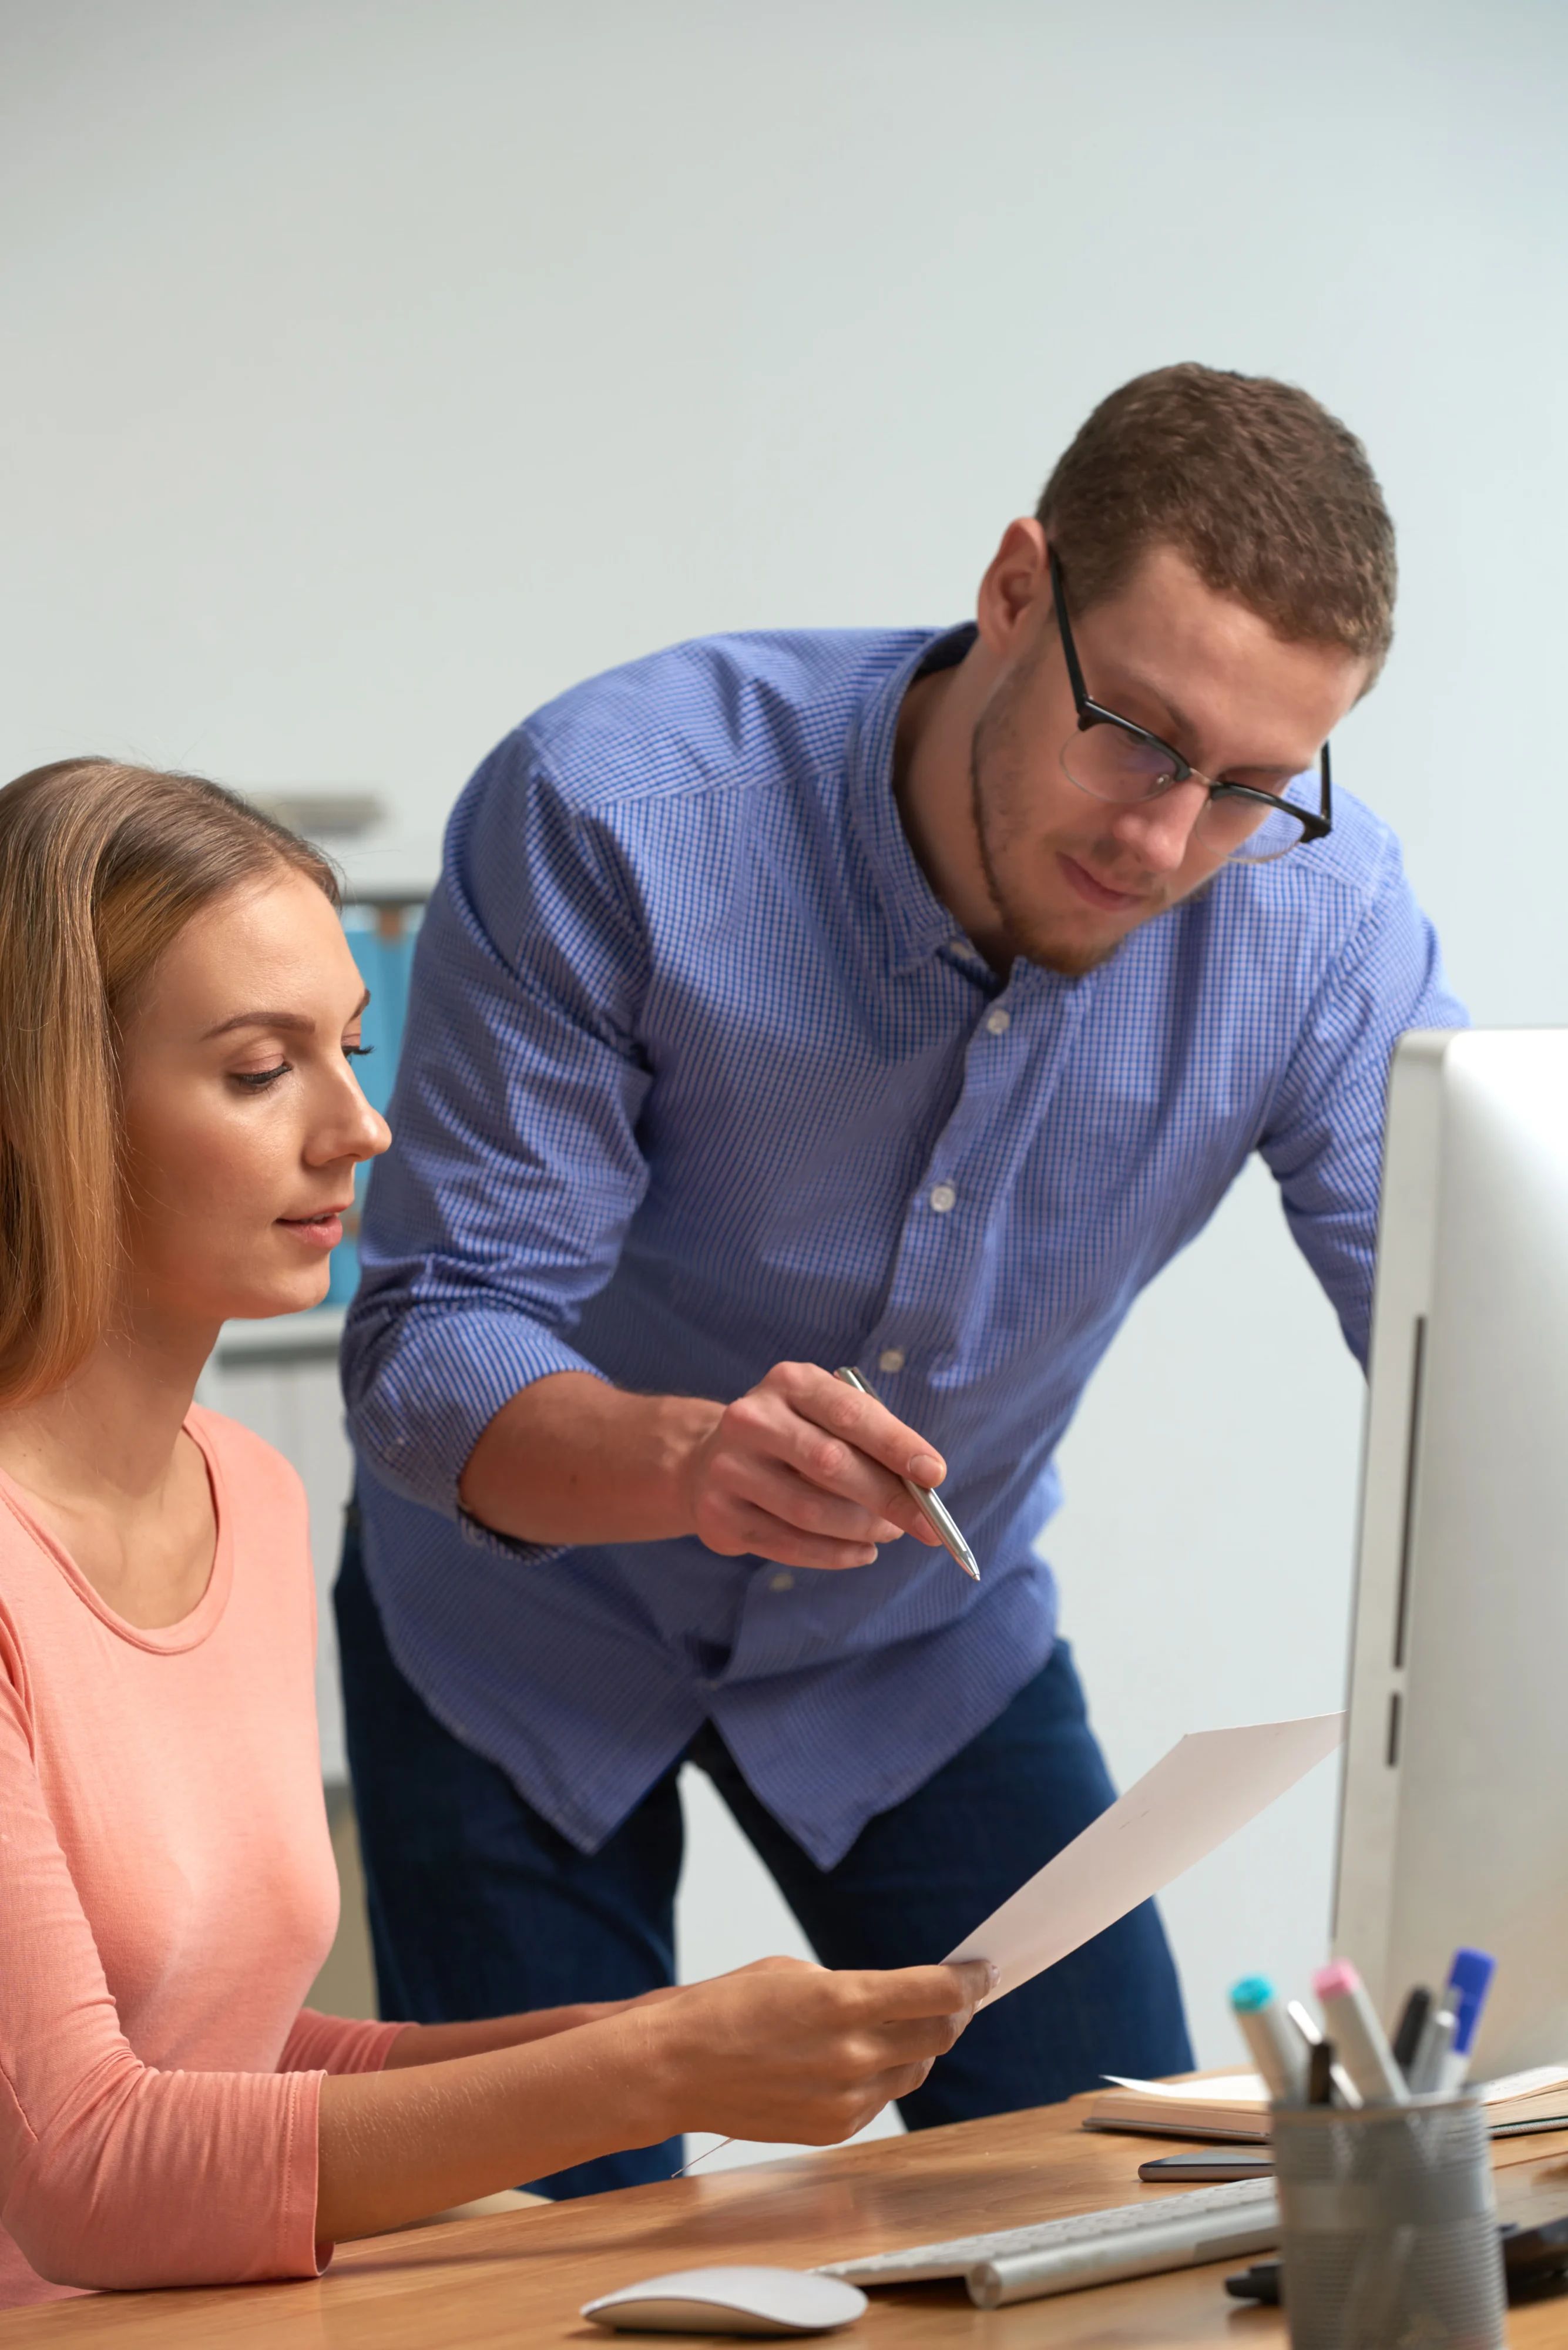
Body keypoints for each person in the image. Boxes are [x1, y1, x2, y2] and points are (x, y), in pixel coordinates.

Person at [338, 362, 1466, 2197]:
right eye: (1138, 738)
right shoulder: (616, 812)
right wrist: (690, 1460)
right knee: (553, 2270)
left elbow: (1465, 1331)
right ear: (1014, 588)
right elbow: (432, 1335)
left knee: (1120, 2209)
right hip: (510, 1644)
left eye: (1253, 787)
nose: (1163, 843)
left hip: (921, 1654)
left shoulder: (1320, 923)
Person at [0, 758, 986, 2308]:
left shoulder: (245, 1494)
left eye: (351, 1051)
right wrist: (655, 2067)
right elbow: (83, 2172)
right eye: (263, 1072)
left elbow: (236, 2059)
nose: (361, 1129)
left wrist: (682, 2037)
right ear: (48, 1105)